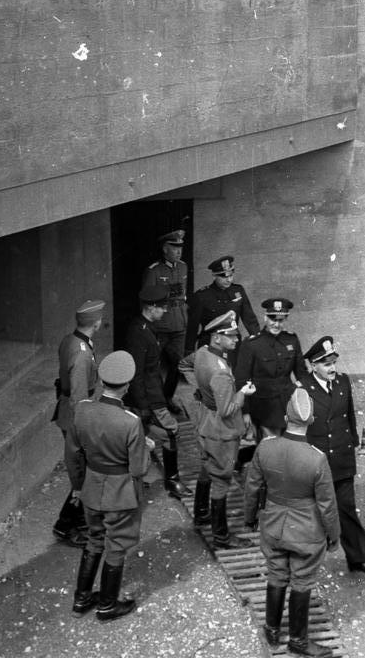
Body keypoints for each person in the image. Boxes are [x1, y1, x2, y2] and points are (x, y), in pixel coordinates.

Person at [243, 387, 340, 657]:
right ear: (311, 421)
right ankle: (298, 640)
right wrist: (334, 536)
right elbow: (327, 505)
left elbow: (252, 488)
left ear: (286, 418)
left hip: (273, 524)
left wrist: (249, 518)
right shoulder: (316, 458)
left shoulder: (265, 447)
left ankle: (272, 630)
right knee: (302, 580)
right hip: (307, 531)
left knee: (276, 572)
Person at [65, 350, 151, 621]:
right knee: (116, 544)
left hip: (92, 486)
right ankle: (107, 605)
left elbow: (73, 454)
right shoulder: (130, 422)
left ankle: (81, 599)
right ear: (126, 387)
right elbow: (138, 468)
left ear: (102, 382)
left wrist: (78, 485)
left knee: (94, 538)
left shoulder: (82, 410)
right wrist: (146, 446)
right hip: (120, 492)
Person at [302, 337, 365, 573]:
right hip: (317, 460)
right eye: (325, 364)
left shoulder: (343, 382)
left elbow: (349, 415)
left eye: (333, 362)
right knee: (314, 511)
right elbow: (298, 427)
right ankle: (306, 562)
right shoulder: (302, 389)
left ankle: (358, 557)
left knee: (346, 507)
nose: (332, 368)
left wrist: (352, 442)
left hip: (342, 458)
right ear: (313, 366)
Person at [193, 310, 257, 548]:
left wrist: (202, 393)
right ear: (217, 338)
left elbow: (185, 365)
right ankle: (221, 537)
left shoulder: (201, 354)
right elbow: (228, 410)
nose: (236, 339)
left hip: (205, 422)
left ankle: (201, 514)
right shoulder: (220, 370)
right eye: (230, 336)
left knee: (206, 467)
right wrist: (242, 393)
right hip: (221, 430)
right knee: (221, 479)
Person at [123, 282, 192, 500]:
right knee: (170, 431)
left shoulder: (147, 328)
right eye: (162, 307)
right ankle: (172, 481)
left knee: (138, 438)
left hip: (152, 395)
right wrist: (144, 406)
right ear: (150, 307)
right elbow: (136, 373)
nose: (165, 311)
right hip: (148, 399)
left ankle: (134, 480)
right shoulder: (139, 333)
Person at [52, 299, 105, 547]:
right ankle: (71, 527)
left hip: (68, 413)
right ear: (96, 322)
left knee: (83, 474)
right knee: (83, 475)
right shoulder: (82, 355)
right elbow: (79, 398)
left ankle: (68, 522)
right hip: (76, 419)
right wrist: (85, 430)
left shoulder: (70, 341)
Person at [234, 297, 308, 438]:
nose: (276, 324)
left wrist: (299, 390)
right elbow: (241, 380)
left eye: (280, 320)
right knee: (269, 451)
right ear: (265, 318)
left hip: (288, 406)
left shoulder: (291, 339)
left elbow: (302, 373)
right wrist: (245, 412)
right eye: (272, 319)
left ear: (285, 319)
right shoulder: (252, 344)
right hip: (263, 409)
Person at [185, 255, 259, 370]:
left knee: (233, 378)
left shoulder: (238, 291)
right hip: (211, 345)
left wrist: (257, 341)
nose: (229, 280)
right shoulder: (202, 296)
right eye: (224, 276)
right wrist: (189, 350)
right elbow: (192, 326)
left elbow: (250, 319)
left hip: (233, 344)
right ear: (214, 275)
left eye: (231, 275)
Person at [142, 229, 188, 415]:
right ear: (164, 248)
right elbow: (146, 299)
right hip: (160, 327)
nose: (178, 251)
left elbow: (182, 296)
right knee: (152, 367)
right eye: (174, 247)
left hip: (179, 325)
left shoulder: (183, 267)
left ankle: (167, 398)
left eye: (180, 247)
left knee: (178, 366)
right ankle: (154, 402)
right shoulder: (154, 271)